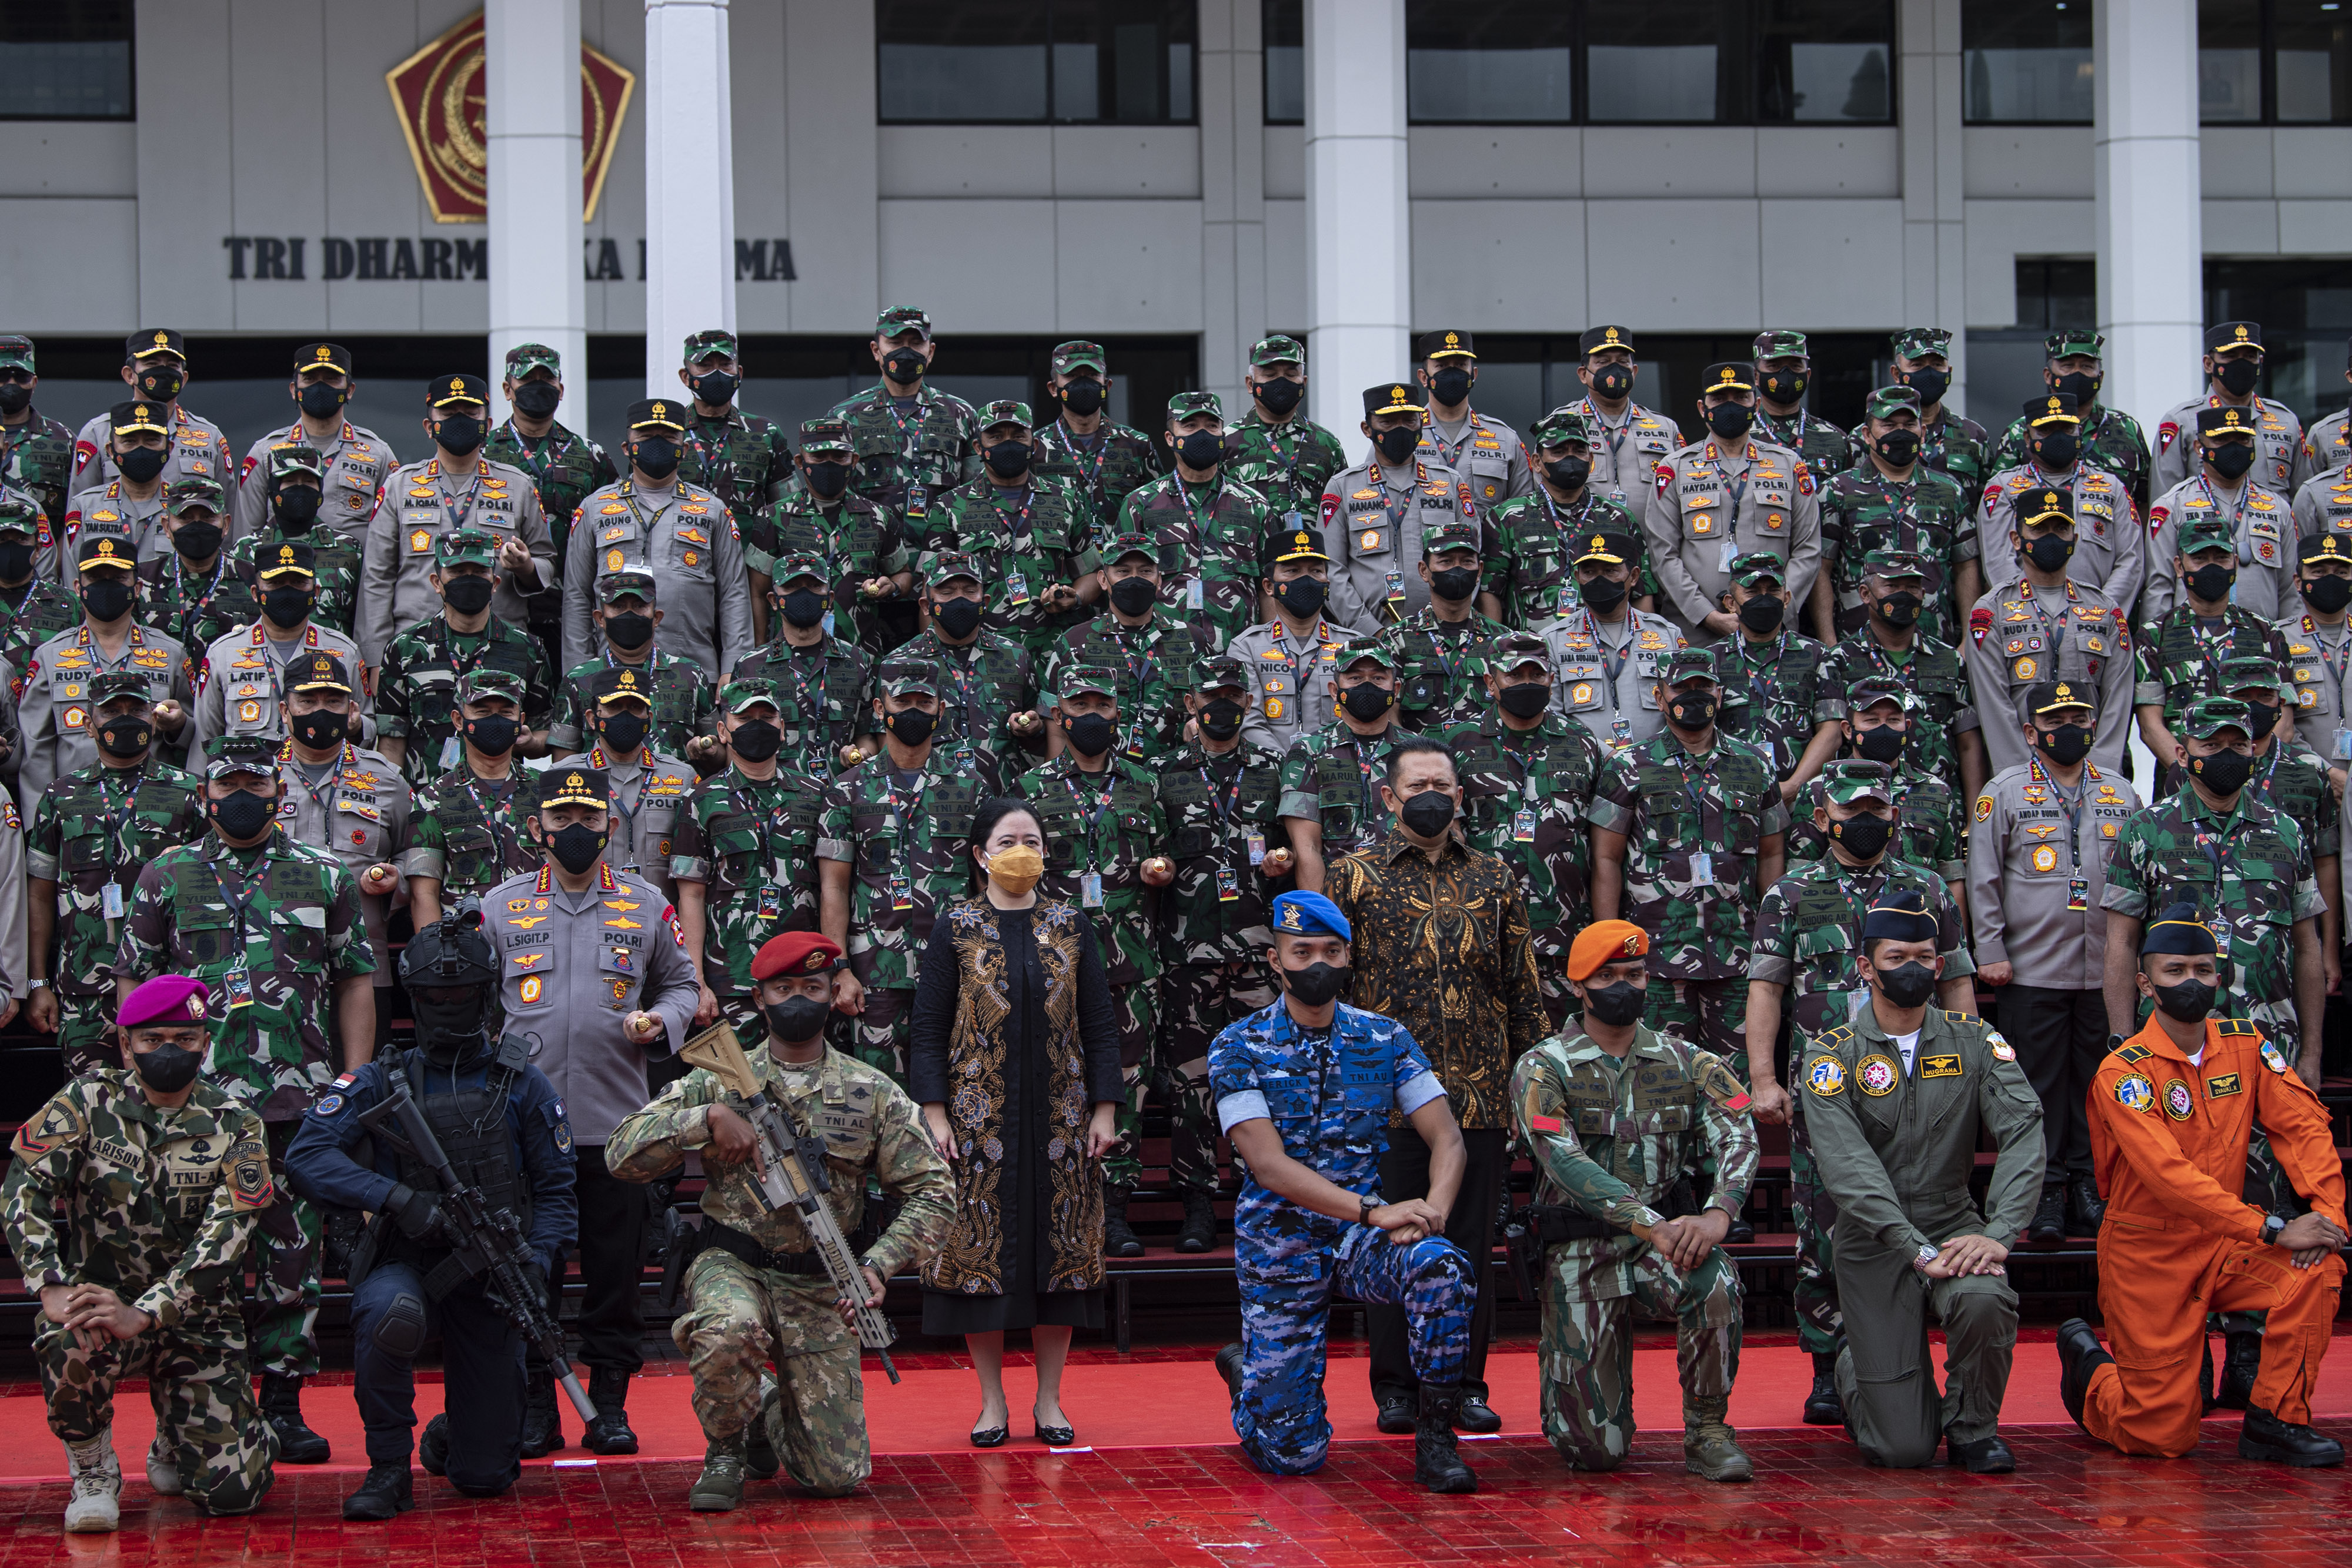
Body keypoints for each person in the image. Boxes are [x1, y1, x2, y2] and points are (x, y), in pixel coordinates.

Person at [607, 931, 954, 1509]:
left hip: (821, 1280)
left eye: (812, 988)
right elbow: (622, 1152)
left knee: (834, 1479)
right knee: (731, 1328)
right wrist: (708, 1118)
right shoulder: (717, 1077)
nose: (798, 999)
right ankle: (727, 1448)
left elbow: (934, 1191)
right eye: (784, 988)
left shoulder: (871, 1092)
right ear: (760, 998)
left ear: (831, 995)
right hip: (732, 1261)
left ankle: (764, 1408)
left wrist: (878, 1265)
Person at [114, 732, 377, 1465]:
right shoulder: (165, 873)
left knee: (292, 1256)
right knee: (200, 1260)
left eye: (255, 786)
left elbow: (355, 977)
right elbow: (134, 981)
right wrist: (141, 1079)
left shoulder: (323, 874)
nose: (240, 797)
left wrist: (354, 1083)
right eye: (227, 784)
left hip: (298, 1105)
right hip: (194, 1105)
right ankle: (202, 1407)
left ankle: (284, 1405)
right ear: (206, 793)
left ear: (276, 794)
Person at [283, 909, 578, 1520]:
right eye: (436, 997)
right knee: (391, 1314)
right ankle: (388, 1468)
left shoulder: (523, 1083)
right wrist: (395, 1199)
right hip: (404, 1260)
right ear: (415, 999)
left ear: (485, 995)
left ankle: (454, 1434)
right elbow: (307, 1156)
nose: (450, 1006)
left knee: (484, 1478)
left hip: (491, 1277)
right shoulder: (378, 1079)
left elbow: (555, 1193)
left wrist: (538, 1260)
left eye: (462, 995)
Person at [1207, 889, 1479, 1493]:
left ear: (1349, 956)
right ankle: (1251, 1380)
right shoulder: (1237, 1045)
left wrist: (1433, 1212)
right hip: (1279, 1246)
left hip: (1361, 1241)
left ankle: (1436, 1441)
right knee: (1293, 1458)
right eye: (1301, 951)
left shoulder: (1383, 1038)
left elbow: (1448, 1140)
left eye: (1331, 950)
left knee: (1442, 1268)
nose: (1317, 964)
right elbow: (1268, 1164)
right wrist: (1375, 1211)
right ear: (1275, 960)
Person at [2057, 907, 2348, 1466]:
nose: (2191, 981)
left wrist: (2329, 1216)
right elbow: (2169, 1178)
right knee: (2163, 1436)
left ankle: (2275, 1421)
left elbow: (2303, 1125)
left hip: (2227, 1243)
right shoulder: (2125, 1072)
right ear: (2145, 983)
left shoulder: (2245, 1042)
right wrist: (2272, 1226)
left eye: (2202, 968)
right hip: (2150, 1254)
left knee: (2316, 1268)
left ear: (2220, 976)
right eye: (2174, 970)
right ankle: (2093, 1376)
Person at [476, 766, 699, 1456]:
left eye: (589, 819)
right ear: (538, 829)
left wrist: (659, 1022)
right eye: (562, 820)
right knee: (530, 1272)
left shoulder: (646, 904)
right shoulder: (499, 907)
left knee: (615, 1275)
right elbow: (473, 1005)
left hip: (617, 1128)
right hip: (527, 1131)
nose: (576, 831)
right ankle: (539, 1403)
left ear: (609, 825)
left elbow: (684, 985)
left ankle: (609, 1404)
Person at [1, 975, 276, 1530]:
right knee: (64, 1337)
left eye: (184, 1036)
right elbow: (22, 1188)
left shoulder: (238, 1123)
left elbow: (227, 1235)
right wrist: (49, 1282)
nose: (169, 1050)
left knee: (236, 1495)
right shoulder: (85, 1102)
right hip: (101, 1304)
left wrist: (149, 1311)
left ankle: (178, 1432)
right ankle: (93, 1468)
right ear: (126, 1044)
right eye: (152, 1039)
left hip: (195, 1318)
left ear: (206, 1041)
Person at [1327, 737, 1544, 1437]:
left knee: (1467, 1245)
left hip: (1478, 1093)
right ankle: (1395, 1388)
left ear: (1459, 797)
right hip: (1383, 1101)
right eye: (1416, 783)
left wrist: (1534, 1084)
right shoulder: (1352, 876)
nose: (1431, 794)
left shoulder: (1495, 876)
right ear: (1388, 797)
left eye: (1442, 784)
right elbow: (1333, 987)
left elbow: (1522, 987)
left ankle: (1461, 1385)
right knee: (1393, 1238)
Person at [1748, 760, 1977, 1419]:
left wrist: (1972, 1062)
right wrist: (1763, 1078)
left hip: (1918, 1083)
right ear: (1822, 819)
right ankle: (1828, 1366)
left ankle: (1903, 1363)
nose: (1868, 822)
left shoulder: (1927, 888)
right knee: (1821, 1224)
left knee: (1920, 1212)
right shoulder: (1789, 895)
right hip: (1827, 1090)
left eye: (1878, 811)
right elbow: (1766, 989)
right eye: (1854, 812)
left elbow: (1956, 980)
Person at [1798, 891, 2043, 1473]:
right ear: (1865, 967)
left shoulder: (1975, 1042)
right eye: (1896, 956)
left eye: (1924, 956)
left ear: (1940, 966)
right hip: (1874, 1240)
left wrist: (2000, 1233)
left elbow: (2024, 1130)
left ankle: (1973, 1428)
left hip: (1953, 1219)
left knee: (1984, 1296)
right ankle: (1858, 1368)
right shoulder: (1831, 1055)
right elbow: (1848, 1171)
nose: (1912, 968)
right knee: (1901, 1451)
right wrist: (1914, 1250)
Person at [1510, 920, 1757, 1480]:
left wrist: (1720, 1212)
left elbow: (1737, 1130)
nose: (1624, 985)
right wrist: (1650, 1222)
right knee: (1596, 1453)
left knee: (1713, 1276)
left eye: (1635, 973)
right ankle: (1580, 1408)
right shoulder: (1543, 1066)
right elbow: (1564, 1160)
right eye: (1608, 975)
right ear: (1579, 984)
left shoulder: (1687, 1061)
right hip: (1579, 1246)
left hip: (1661, 1246)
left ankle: (1708, 1431)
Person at [911, 797, 1122, 1447]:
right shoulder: (955, 926)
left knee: (1057, 1258)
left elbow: (1101, 1023)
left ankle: (1051, 1401)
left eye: (1032, 838)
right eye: (1008, 840)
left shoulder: (1070, 925)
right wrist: (935, 1112)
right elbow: (926, 1029)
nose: (1021, 850)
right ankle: (992, 1402)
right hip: (978, 1121)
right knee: (980, 1258)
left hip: (1062, 1120)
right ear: (980, 854)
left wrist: (1106, 1108)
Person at [1972, 681, 2145, 1242]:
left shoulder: (2123, 793)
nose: (2070, 727)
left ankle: (2090, 1185)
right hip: (2030, 970)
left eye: (2079, 717)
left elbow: (2140, 881)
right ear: (2031, 732)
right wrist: (1991, 949)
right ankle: (2043, 1190)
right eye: (2057, 718)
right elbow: (1984, 877)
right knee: (2038, 1086)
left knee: (2097, 1084)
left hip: (2106, 973)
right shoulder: (2004, 792)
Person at [1018, 666, 1174, 1255]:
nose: (1089, 715)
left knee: (1126, 1090)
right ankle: (1058, 1206)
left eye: (1100, 704)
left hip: (1132, 965)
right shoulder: (1031, 789)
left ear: (1116, 713)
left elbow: (1163, 867)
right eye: (1078, 703)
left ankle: (1114, 1211)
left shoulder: (1143, 783)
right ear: (1060, 714)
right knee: (1053, 1085)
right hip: (1054, 964)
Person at [1151, 654, 1295, 1251]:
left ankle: (1261, 1192)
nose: (1223, 706)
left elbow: (1297, 850)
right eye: (1212, 695)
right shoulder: (1164, 773)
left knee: (1263, 1078)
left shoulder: (1272, 770)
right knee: (1193, 1083)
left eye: (1234, 696)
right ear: (1192, 704)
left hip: (1258, 951)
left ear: (1248, 704)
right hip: (1191, 953)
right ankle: (1196, 1202)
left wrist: (1281, 867)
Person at [1590, 648, 1788, 1082]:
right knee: (1660, 1085)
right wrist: (1609, 945)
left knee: (1734, 1089)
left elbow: (1772, 852)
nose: (1694, 696)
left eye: (1704, 688)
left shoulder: (1755, 764)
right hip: (1656, 955)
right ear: (1660, 697)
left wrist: (1771, 933)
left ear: (1720, 694)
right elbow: (1606, 857)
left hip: (1737, 954)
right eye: (1683, 688)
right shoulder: (1628, 765)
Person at [2104, 695, 2326, 1076]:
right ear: (2184, 753)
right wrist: (2125, 1045)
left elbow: (2307, 948)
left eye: (2238, 745)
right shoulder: (2146, 830)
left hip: (2269, 1043)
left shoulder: (2286, 832)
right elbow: (2120, 945)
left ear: (2253, 750)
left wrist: (2311, 1055)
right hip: (2173, 1045)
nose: (2227, 756)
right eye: (2212, 745)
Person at [817, 661, 987, 1080]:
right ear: (879, 707)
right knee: (877, 1090)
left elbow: (987, 882)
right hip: (875, 970)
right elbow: (834, 888)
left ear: (941, 710)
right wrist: (839, 969)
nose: (914, 710)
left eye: (924, 701)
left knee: (959, 1085)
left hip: (956, 965)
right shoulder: (847, 788)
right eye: (902, 701)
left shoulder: (971, 787)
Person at [26, 673, 203, 1075]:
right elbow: (39, 893)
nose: (126, 719)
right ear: (89, 725)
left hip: (167, 983)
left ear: (154, 719)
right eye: (111, 711)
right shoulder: (60, 797)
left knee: (169, 1106)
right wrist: (38, 983)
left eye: (137, 709)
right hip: (84, 990)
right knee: (96, 1112)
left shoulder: (189, 792)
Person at [1445, 631, 1606, 1029]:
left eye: (1537, 674)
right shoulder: (1457, 743)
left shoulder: (1582, 741)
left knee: (1564, 1053)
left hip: (1565, 935)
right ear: (1491, 682)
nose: (1528, 684)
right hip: (1483, 935)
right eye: (1515, 675)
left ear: (1553, 678)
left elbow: (1604, 846)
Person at [361, 375, 553, 671]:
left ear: (487, 426)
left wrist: (526, 567)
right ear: (429, 427)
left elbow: (547, 563)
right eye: (449, 414)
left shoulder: (518, 486)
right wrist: (376, 661)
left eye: (470, 414)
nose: (459, 420)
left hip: (501, 647)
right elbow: (376, 579)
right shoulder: (399, 487)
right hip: (417, 649)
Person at [560, 397, 752, 680]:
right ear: (627, 448)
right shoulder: (593, 508)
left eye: (668, 436)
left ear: (684, 449)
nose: (658, 443)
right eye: (647, 436)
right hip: (609, 672)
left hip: (694, 672)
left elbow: (734, 594)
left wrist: (734, 669)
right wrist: (577, 670)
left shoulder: (713, 510)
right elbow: (576, 596)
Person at [673, 678, 823, 1037]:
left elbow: (836, 887)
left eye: (767, 717)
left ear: (783, 728)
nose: (758, 725)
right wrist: (696, 980)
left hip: (804, 976)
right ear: (724, 731)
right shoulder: (702, 800)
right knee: (737, 1089)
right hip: (731, 977)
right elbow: (690, 895)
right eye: (746, 718)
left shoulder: (816, 796)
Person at [276, 652, 411, 1045]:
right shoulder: (260, 780)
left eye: (333, 701)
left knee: (362, 1088)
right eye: (308, 701)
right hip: (278, 968)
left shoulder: (386, 779)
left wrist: (397, 878)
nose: (321, 711)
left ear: (352, 709)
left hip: (366, 968)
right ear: (286, 710)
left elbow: (413, 853)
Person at [1962, 487, 2136, 778]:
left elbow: (2117, 702)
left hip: (2094, 778)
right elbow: (1994, 705)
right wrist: (2019, 779)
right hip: (2022, 781)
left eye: (2060, 529)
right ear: (2017, 539)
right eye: (2040, 529)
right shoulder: (1991, 611)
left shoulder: (2105, 610)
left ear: (2075, 539)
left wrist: (2101, 776)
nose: (2052, 538)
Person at [1645, 362, 1822, 643]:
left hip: (1774, 628)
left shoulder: (1789, 465)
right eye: (1719, 399)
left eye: (1741, 398)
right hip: (1696, 631)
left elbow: (1808, 549)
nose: (1731, 407)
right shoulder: (1675, 468)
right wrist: (1707, 615)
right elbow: (1662, 555)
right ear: (1703, 408)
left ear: (1757, 403)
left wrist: (1776, 609)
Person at [17, 534, 193, 815]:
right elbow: (36, 750)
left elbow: (197, 736)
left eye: (117, 578)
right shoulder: (50, 656)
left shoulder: (171, 653)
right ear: (79, 587)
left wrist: (180, 725)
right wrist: (41, 823)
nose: (107, 586)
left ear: (136, 588)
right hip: (76, 813)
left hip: (157, 812)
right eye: (97, 578)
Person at [910, 399, 1099, 658]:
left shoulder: (1064, 500)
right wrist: (932, 659)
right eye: (996, 437)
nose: (1008, 444)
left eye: (1018, 436)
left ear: (1033, 445)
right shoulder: (949, 506)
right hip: (980, 657)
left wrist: (1074, 597)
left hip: (1054, 652)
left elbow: (1091, 574)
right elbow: (930, 592)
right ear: (979, 447)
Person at [375, 527, 554, 787]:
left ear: (495, 583)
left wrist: (530, 743)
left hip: (505, 802)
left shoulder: (528, 648)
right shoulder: (404, 649)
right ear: (437, 582)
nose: (469, 580)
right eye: (458, 573)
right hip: (427, 803)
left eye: (480, 572)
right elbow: (392, 743)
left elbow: (543, 733)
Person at [482, 343, 620, 675]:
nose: (538, 386)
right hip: (503, 605)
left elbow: (614, 522)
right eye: (529, 380)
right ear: (507, 388)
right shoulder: (485, 452)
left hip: (572, 609)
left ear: (560, 389)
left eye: (547, 378)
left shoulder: (590, 456)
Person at [2133, 516, 2293, 794]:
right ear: (2179, 566)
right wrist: (2195, 773)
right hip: (2182, 785)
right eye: (2200, 558)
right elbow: (2150, 725)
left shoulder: (2267, 633)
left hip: (2257, 786)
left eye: (2220, 557)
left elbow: (2285, 720)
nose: (2211, 566)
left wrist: (2248, 773)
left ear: (2235, 564)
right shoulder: (2153, 636)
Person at [1815, 546, 1986, 801]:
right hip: (1860, 804)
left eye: (1912, 588)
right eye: (1892, 588)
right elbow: (1830, 739)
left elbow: (1968, 743)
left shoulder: (1950, 659)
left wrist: (1974, 818)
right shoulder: (1839, 659)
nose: (1903, 596)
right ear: (1865, 594)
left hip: (1936, 807)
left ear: (1924, 594)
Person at [1105, 391, 1271, 650]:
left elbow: (1268, 587)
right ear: (1171, 438)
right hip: (1164, 654)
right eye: (1190, 426)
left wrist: (1268, 652)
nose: (1202, 434)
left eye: (1212, 426)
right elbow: (1119, 583)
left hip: (1239, 653)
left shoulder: (1255, 505)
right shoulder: (1140, 504)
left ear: (1222, 435)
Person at [1038, 529, 1213, 764]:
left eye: (1145, 571)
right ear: (1103, 580)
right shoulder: (1074, 642)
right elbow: (1055, 725)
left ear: (1159, 581)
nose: (1135, 579)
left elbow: (1214, 704)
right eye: (1123, 571)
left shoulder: (1193, 639)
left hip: (1179, 776)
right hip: (1106, 782)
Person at [1815, 387, 1972, 644]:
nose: (1901, 432)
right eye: (1888, 425)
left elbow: (1966, 565)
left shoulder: (1949, 490)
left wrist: (1967, 641)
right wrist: (1829, 642)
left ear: (1922, 431)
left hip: (1935, 646)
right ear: (1867, 434)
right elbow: (1820, 568)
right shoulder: (1837, 491)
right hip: (1858, 647)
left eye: (1910, 424)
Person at [1319, 382, 1480, 631]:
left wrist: (1453, 617)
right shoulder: (1342, 487)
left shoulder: (1450, 483)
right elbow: (1330, 568)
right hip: (1370, 640)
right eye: (1388, 422)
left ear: (1422, 424)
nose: (1400, 429)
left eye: (1409, 421)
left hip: (1444, 633)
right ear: (1367, 428)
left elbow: (1473, 559)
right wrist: (1371, 629)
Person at [883, 550, 1047, 790]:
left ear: (985, 602)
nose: (959, 600)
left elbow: (1040, 725)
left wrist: (1034, 728)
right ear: (927, 606)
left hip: (1004, 799)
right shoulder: (899, 662)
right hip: (932, 803)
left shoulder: (1016, 656)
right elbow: (885, 742)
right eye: (947, 593)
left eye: (970, 592)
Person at [748, 416, 910, 656]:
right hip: (790, 659)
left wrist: (893, 587)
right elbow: (758, 593)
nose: (830, 465)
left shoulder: (879, 517)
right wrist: (760, 651)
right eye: (819, 458)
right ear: (801, 462)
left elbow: (904, 574)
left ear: (854, 461)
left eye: (839, 457)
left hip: (862, 658)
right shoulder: (773, 517)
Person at [186, 542, 369, 755]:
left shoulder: (344, 651)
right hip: (249, 781)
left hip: (323, 780)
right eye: (276, 583)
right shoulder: (223, 653)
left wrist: (356, 726)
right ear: (256, 593)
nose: (288, 591)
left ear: (315, 591)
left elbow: (368, 725)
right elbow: (205, 739)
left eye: (299, 582)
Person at [1782, 680, 1965, 890]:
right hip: (1841, 914)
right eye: (1872, 720)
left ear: (1907, 728)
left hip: (1918, 912)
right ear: (1848, 730)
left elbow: (1951, 875)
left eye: (1893, 720)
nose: (1884, 729)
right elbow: (1800, 873)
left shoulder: (1936, 790)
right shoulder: (1818, 789)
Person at [1480, 407, 1652, 629]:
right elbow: (1490, 592)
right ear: (1537, 462)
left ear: (1591, 460)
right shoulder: (1507, 517)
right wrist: (1498, 651)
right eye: (1558, 452)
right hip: (1534, 655)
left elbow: (1642, 591)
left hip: (1605, 651)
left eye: (1579, 451)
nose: (1570, 458)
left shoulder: (1618, 517)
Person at [402, 668, 547, 924]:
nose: (495, 720)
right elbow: (423, 893)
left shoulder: (546, 791)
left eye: (505, 713)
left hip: (537, 938)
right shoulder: (432, 799)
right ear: (459, 720)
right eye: (482, 712)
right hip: (465, 945)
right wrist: (435, 955)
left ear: (520, 720)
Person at [1974, 394, 2143, 611]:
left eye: (2066, 429)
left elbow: (2131, 560)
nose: (2059, 438)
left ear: (2079, 431)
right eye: (2046, 431)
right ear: (2027, 438)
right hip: (2025, 621)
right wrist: (2029, 610)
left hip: (2097, 618)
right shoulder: (2003, 488)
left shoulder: (2112, 487)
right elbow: (1998, 562)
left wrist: (2101, 612)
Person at [1277, 639, 1420, 892]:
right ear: (1334, 690)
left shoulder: (1421, 752)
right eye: (1355, 678)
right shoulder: (1308, 752)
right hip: (1341, 896)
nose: (1367, 685)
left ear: (1395, 688)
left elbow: (1447, 833)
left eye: (1378, 678)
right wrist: (1326, 921)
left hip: (1410, 896)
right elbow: (1307, 848)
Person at [551, 666, 698, 908]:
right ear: (591, 718)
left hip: (662, 921)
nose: (625, 716)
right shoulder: (563, 776)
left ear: (649, 719)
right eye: (614, 708)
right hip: (590, 917)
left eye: (634, 708)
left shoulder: (682, 777)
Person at [546, 566, 720, 767]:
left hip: (673, 792)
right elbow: (562, 763)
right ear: (600, 619)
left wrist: (707, 751)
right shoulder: (578, 680)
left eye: (639, 606)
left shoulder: (690, 674)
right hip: (601, 793)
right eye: (618, 607)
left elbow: (719, 750)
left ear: (656, 618)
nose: (629, 614)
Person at [828, 305, 983, 529]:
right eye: (895, 343)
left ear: (930, 352)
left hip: (942, 554)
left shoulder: (961, 414)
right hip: (870, 552)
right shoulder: (845, 416)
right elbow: (832, 497)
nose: (906, 352)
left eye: (916, 344)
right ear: (875, 350)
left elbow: (976, 493)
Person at [229, 342, 395, 547]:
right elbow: (246, 539)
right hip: (283, 575)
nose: (320, 387)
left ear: (349, 390)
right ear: (294, 389)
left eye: (332, 379)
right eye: (310, 379)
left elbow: (390, 540)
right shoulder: (265, 453)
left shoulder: (378, 454)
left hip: (352, 576)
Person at [2144, 406, 2300, 625]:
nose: (2234, 448)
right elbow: (2159, 586)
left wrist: (2287, 644)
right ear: (2200, 447)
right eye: (2222, 440)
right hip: (2191, 643)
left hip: (2262, 642)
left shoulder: (2278, 507)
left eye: (2243, 440)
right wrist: (2157, 644)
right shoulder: (2172, 505)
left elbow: (2290, 592)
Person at [1227, 525, 1372, 756]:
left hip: (1340, 773)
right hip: (1271, 773)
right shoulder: (1246, 647)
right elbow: (1249, 719)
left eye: (1316, 571)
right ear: (1269, 586)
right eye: (1292, 571)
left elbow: (1365, 719)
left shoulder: (1354, 646)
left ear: (1327, 584)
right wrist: (1291, 770)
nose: (1306, 580)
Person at [1538, 527, 1684, 753]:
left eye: (1610, 571)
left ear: (1633, 576)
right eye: (1589, 572)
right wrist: (1606, 755)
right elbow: (1552, 716)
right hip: (1584, 763)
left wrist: (1648, 758)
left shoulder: (1667, 635)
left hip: (1659, 764)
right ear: (1577, 578)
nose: (1599, 580)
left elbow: (1681, 707)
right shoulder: (1553, 639)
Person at [1986, 329, 2153, 515]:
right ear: (2048, 376)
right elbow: (1997, 502)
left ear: (2101, 377)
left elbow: (2143, 502)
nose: (2077, 373)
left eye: (2087, 367)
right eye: (2068, 366)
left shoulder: (2125, 427)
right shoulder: (2021, 431)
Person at [671, 329, 794, 574]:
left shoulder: (766, 434)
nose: (716, 374)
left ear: (738, 373)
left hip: (749, 572)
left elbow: (789, 510)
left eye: (725, 364)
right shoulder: (669, 435)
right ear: (686, 377)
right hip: (681, 570)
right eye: (705, 366)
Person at [1378, 516, 1511, 735]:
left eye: (1467, 561)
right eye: (1446, 561)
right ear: (1424, 571)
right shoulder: (1398, 638)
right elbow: (1390, 713)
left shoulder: (1501, 640)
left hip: (1484, 763)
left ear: (1479, 572)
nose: (1457, 569)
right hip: (1420, 763)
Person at [2153, 321, 2313, 500]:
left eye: (2250, 357)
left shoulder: (2286, 420)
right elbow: (2163, 501)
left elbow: (2303, 499)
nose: (2241, 364)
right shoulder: (2182, 421)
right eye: (2230, 356)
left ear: (2260, 363)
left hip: (2271, 524)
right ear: (2208, 364)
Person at [68, 331, 235, 503]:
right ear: (130, 375)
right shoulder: (99, 432)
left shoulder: (210, 435)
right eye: (152, 364)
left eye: (172, 366)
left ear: (183, 379)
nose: (163, 372)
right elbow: (81, 508)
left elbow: (228, 511)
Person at [225, 445, 364, 637]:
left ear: (320, 493)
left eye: (309, 482)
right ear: (275, 492)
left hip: (332, 660)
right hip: (262, 660)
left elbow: (364, 620)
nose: (300, 489)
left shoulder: (349, 548)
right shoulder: (245, 550)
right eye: (290, 482)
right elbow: (237, 618)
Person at [1556, 326, 1682, 527]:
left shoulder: (1665, 428)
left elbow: (1682, 492)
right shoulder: (1560, 424)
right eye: (1603, 362)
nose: (1614, 369)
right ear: (1583, 374)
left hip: (1650, 551)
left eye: (1623, 362)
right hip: (1583, 551)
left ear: (1634, 371)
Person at [1031, 340, 1162, 523]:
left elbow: (1159, 509)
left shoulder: (1137, 444)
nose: (1083, 384)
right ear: (1054, 389)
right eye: (1072, 376)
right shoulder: (1035, 447)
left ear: (1107, 386)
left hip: (1120, 551)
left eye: (1093, 375)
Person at [143, 478, 262, 661]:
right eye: (185, 518)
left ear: (226, 525)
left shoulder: (254, 580)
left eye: (208, 517)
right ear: (167, 527)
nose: (197, 526)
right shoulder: (144, 579)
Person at [1412, 330, 1529, 512]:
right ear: (1424, 377)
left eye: (1460, 365)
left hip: (1484, 541)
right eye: (1441, 366)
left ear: (1473, 375)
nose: (1452, 373)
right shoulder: (1403, 434)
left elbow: (1524, 511)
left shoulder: (1505, 439)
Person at [61, 400, 179, 573]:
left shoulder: (183, 506)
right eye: (129, 441)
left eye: (152, 440)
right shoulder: (84, 506)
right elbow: (73, 582)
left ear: (169, 448)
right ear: (110, 451)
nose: (141, 450)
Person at [1887, 327, 1993, 517]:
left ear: (1949, 372)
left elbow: (1986, 511)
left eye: (1937, 365)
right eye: (1917, 365)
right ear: (1897, 374)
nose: (1928, 373)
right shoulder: (1870, 437)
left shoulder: (1974, 437)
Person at [2283, 533, 2352, 791]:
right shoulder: (2279, 639)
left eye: (2342, 572)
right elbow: (2281, 728)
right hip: (2305, 787)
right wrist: (2327, 773)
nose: (2331, 580)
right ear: (2298, 581)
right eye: (2319, 572)